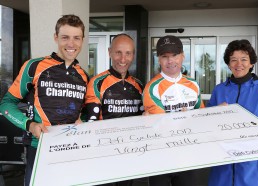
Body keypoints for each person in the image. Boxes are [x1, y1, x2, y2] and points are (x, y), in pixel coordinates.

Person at [0, 14, 88, 186]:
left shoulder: (84, 75)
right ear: (56, 38)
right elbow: (6, 104)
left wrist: (82, 120)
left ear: (82, 40)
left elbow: (83, 114)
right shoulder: (34, 66)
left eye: (76, 38)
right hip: (38, 149)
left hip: (71, 150)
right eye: (65, 37)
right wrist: (30, 125)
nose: (71, 44)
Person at [207, 39, 258, 186]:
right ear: (228, 64)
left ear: (251, 63)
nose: (239, 64)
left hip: (255, 162)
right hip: (224, 160)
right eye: (234, 60)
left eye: (244, 59)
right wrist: (213, 113)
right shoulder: (219, 90)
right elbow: (207, 121)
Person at [143, 35, 204, 186]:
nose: (170, 61)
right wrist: (184, 120)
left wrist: (185, 120)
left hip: (188, 157)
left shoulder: (193, 85)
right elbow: (160, 126)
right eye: (165, 56)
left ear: (183, 56)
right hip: (160, 157)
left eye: (175, 55)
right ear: (159, 59)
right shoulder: (152, 87)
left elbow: (201, 118)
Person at [85, 33, 143, 186]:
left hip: (130, 153)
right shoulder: (97, 82)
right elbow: (92, 121)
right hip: (104, 154)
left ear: (133, 55)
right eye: (118, 52)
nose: (123, 59)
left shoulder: (139, 85)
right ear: (110, 52)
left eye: (128, 53)